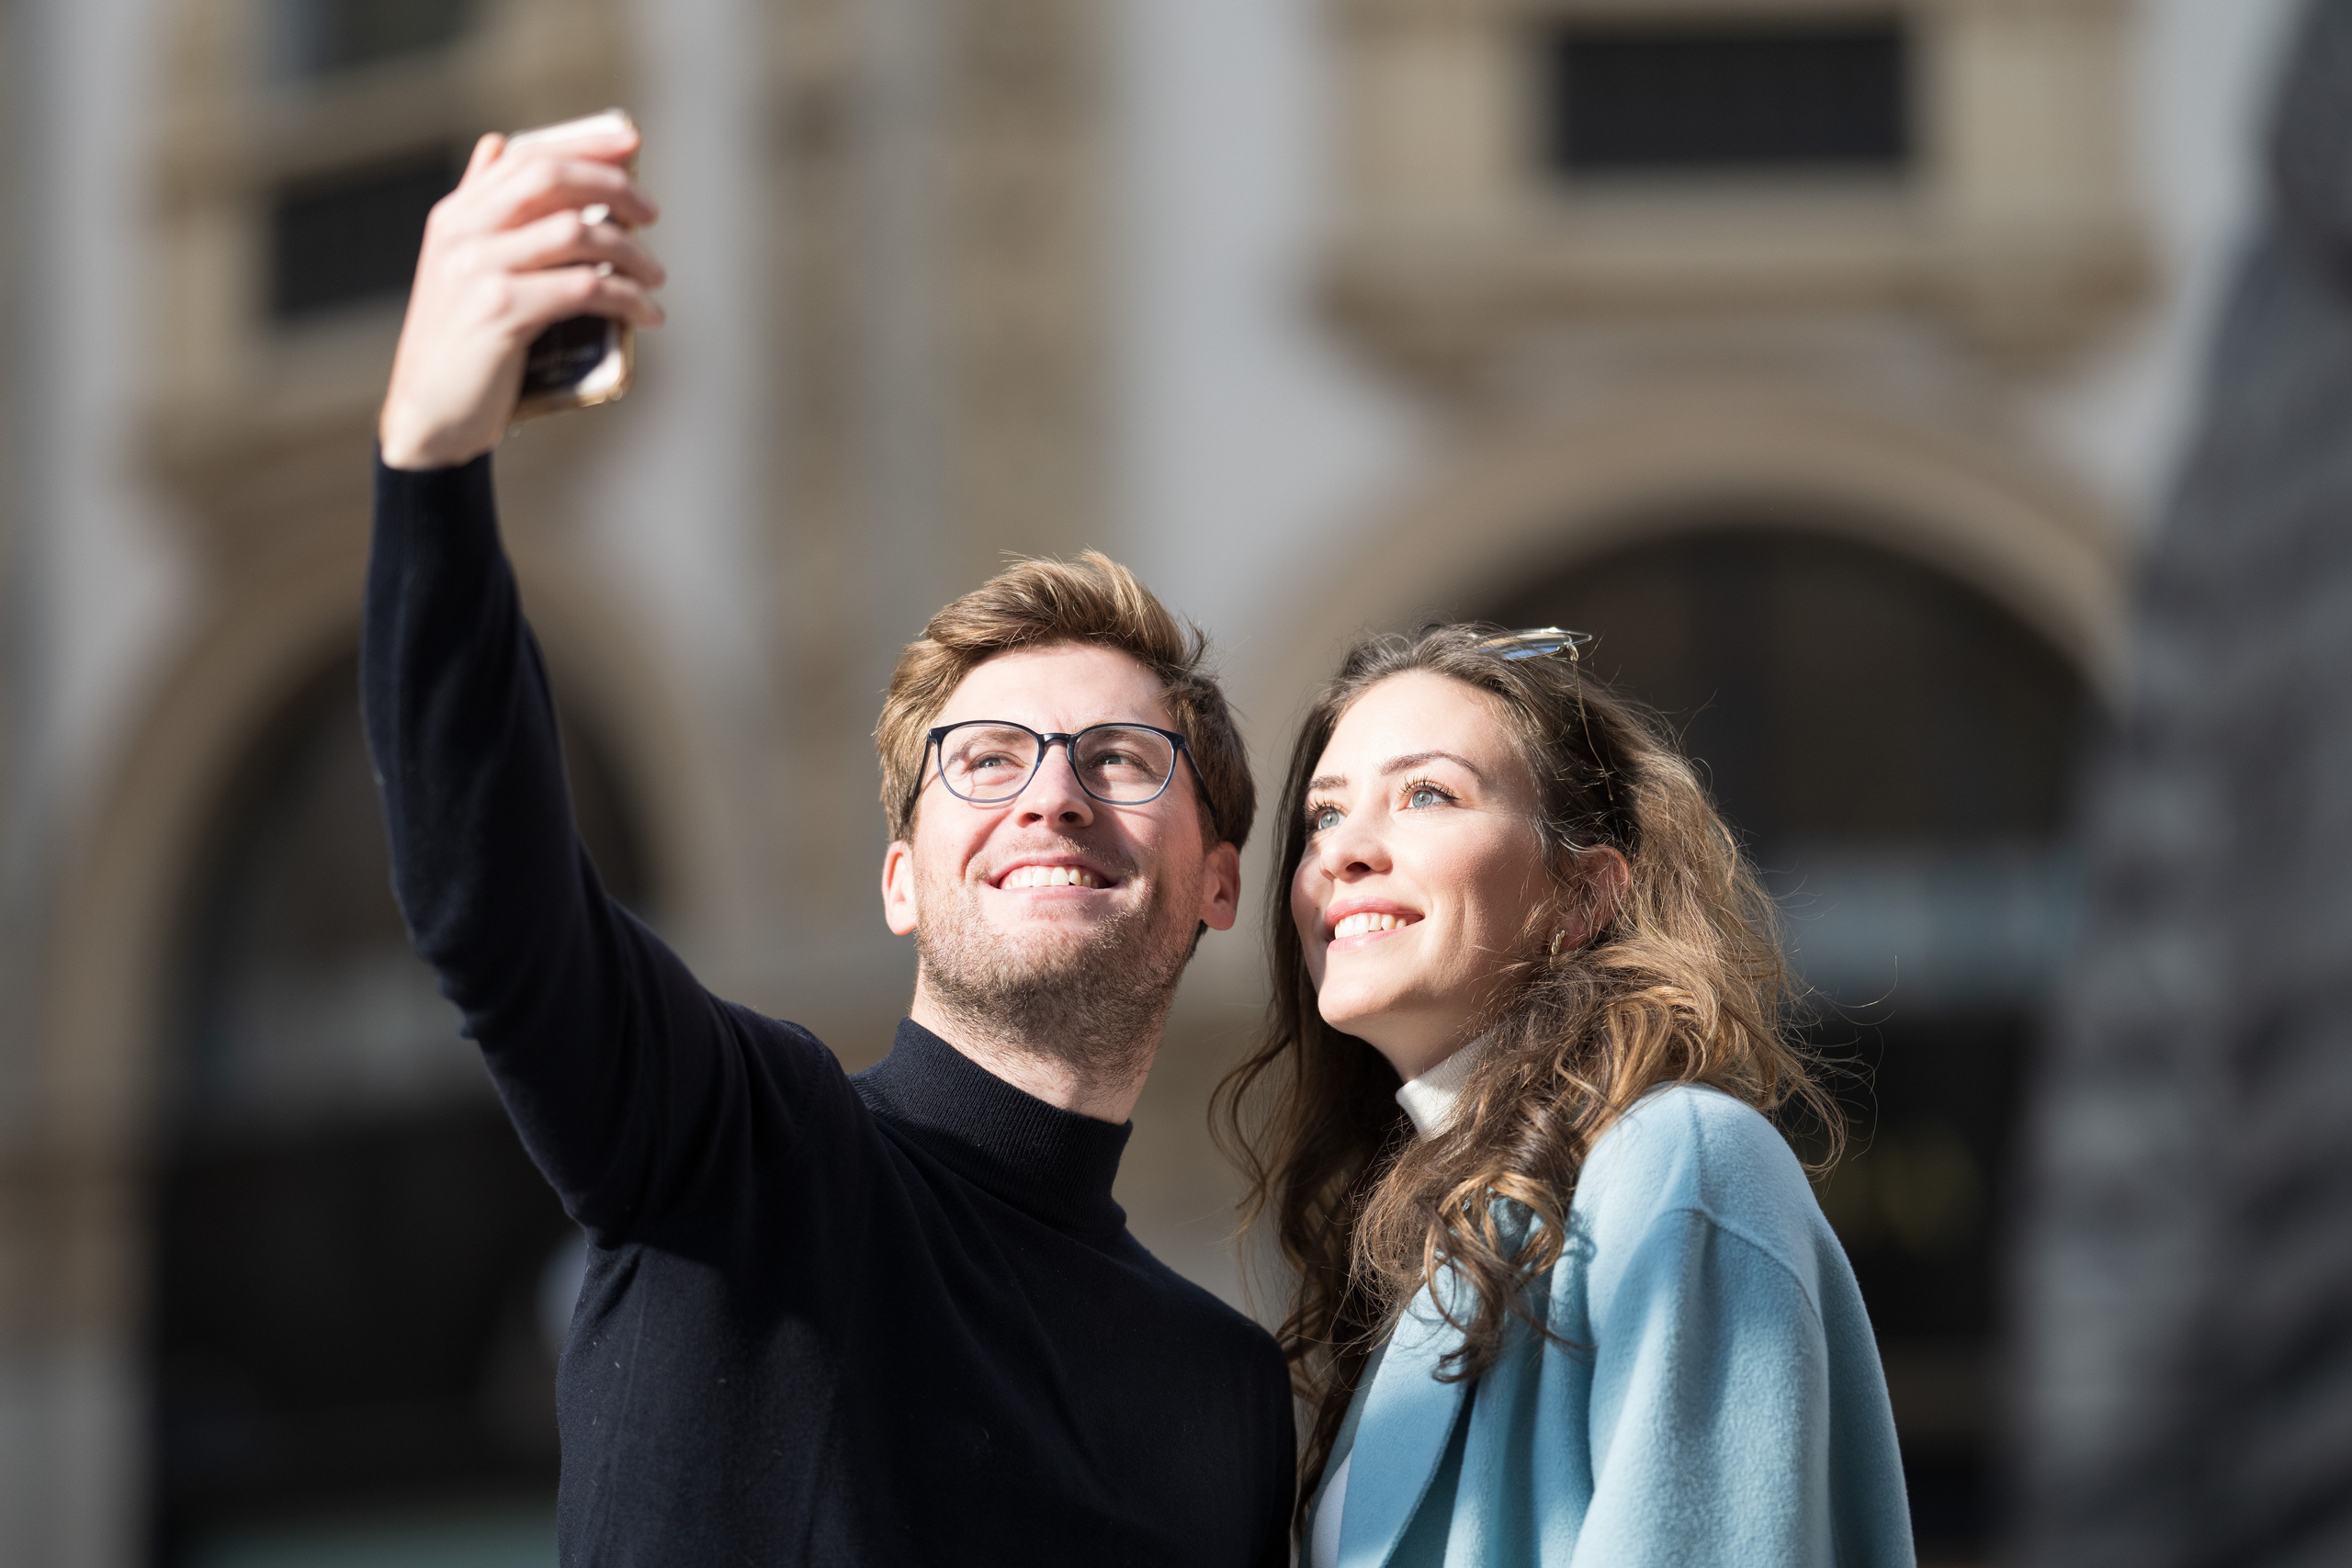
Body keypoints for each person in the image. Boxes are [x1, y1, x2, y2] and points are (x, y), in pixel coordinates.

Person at [366, 123, 1294, 1564]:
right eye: (983, 761)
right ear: (902, 877)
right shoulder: (741, 1148)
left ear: (1219, 877)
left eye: (1121, 757)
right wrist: (432, 463)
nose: (1052, 796)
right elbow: (493, 908)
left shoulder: (1229, 1390)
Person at [1216, 625, 1917, 1566]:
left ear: (1582, 897)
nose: (1344, 853)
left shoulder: (1678, 1157)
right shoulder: (1440, 1235)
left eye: (1426, 794)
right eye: (1324, 817)